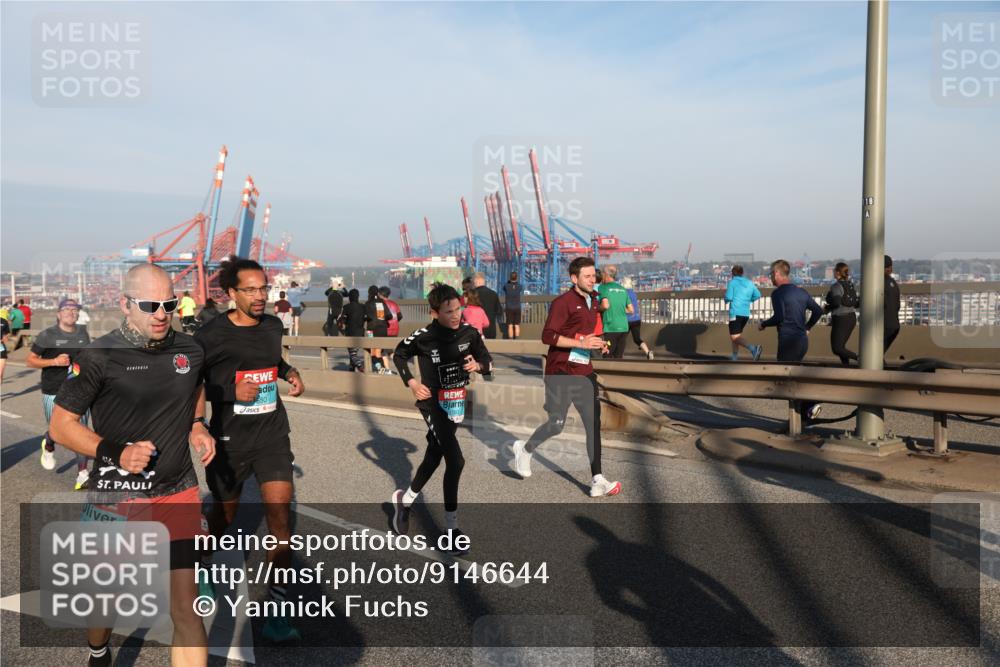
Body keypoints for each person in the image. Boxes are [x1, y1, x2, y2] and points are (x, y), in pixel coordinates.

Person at [49, 263, 216, 667]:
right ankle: (98, 650)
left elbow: (195, 387)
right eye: (149, 304)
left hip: (178, 488)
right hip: (116, 494)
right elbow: (60, 426)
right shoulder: (98, 356)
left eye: (169, 304)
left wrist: (197, 425)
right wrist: (116, 452)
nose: (162, 313)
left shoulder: (190, 350)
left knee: (187, 609)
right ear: (126, 304)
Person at [195, 256, 305, 643]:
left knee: (281, 523)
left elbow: (270, 359)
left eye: (264, 288)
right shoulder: (210, 336)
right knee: (224, 521)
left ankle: (277, 613)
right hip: (230, 440)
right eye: (252, 290)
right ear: (231, 293)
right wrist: (227, 392)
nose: (261, 296)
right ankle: (200, 563)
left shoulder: (273, 325)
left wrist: (287, 372)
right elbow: (192, 384)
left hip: (272, 434)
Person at [390, 284, 493, 555]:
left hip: (456, 402)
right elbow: (398, 354)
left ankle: (406, 500)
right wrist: (412, 382)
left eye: (458, 308)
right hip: (432, 404)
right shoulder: (424, 336)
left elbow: (487, 361)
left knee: (434, 456)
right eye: (449, 312)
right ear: (434, 312)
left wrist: (479, 366)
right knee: (455, 460)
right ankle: (451, 530)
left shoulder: (469, 333)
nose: (456, 314)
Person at [511, 257, 622, 497]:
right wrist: (581, 342)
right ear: (574, 279)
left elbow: (586, 332)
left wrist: (598, 343)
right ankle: (525, 449)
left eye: (595, 276)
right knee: (556, 424)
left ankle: (597, 479)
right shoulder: (563, 303)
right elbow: (548, 336)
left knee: (592, 425)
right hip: (560, 371)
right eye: (588, 276)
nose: (594, 280)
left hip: (584, 372)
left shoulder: (592, 302)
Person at [26, 298, 92, 489]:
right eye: (67, 309)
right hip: (53, 390)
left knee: (82, 432)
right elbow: (30, 361)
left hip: (79, 390)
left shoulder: (83, 334)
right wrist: (54, 362)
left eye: (75, 309)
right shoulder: (47, 335)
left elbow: (86, 359)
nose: (71, 312)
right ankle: (49, 443)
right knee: (58, 431)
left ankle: (82, 474)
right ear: (58, 313)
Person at [758, 259, 823, 419]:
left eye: (771, 274)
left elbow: (780, 317)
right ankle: (802, 416)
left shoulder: (778, 293)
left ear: (777, 274)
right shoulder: (801, 292)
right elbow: (818, 311)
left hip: (788, 340)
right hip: (801, 341)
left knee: (785, 377)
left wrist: (764, 324)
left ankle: (811, 403)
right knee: (793, 377)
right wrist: (808, 327)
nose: (771, 278)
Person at [723, 265, 763, 361]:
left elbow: (728, 297)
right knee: (736, 335)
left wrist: (725, 299)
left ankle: (753, 349)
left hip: (735, 313)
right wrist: (749, 301)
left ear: (732, 274)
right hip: (745, 314)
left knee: (734, 337)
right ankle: (734, 357)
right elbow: (758, 295)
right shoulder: (749, 283)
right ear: (742, 273)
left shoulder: (732, 283)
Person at [825, 262, 859, 366]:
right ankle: (845, 366)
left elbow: (836, 303)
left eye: (835, 270)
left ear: (838, 272)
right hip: (851, 317)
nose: (833, 272)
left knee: (837, 348)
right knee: (841, 347)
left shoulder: (836, 286)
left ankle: (860, 358)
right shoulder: (850, 285)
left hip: (841, 318)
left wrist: (827, 308)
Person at [597, 265, 631, 359]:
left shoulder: (603, 288)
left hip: (611, 327)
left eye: (602, 273)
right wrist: (617, 308)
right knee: (619, 358)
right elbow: (630, 309)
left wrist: (596, 308)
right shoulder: (623, 289)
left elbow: (605, 305)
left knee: (607, 356)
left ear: (606, 275)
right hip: (624, 327)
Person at [622, 276, 654, 359]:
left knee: (621, 338)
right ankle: (648, 352)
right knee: (637, 339)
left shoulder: (623, 293)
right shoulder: (633, 293)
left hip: (627, 320)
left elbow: (623, 306)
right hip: (636, 319)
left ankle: (619, 355)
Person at [365, 285, 391, 373]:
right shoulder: (382, 302)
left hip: (371, 330)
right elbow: (389, 316)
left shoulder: (368, 303)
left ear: (369, 293)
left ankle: (379, 368)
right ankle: (382, 368)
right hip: (382, 329)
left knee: (372, 351)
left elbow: (366, 316)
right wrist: (381, 318)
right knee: (379, 352)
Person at [339, 288, 367, 372]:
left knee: (352, 352)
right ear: (358, 297)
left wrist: (341, 326)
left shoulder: (346, 307)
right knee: (353, 352)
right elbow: (366, 318)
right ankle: (351, 368)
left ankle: (359, 365)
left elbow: (342, 321)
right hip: (360, 332)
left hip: (350, 332)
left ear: (349, 297)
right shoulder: (363, 307)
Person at [473, 272, 502, 339]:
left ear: (477, 280)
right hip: (490, 329)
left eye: (474, 281)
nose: (473, 283)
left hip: (476, 329)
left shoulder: (473, 294)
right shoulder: (493, 294)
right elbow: (499, 311)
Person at [884, 255, 901, 354]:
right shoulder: (893, 283)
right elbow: (897, 305)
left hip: (885, 325)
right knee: (878, 353)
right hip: (894, 325)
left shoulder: (879, 282)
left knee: (873, 354)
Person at [503, 271, 523, 339]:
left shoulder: (506, 286)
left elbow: (504, 288)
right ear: (517, 277)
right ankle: (517, 339)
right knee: (517, 325)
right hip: (517, 307)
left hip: (509, 307)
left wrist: (509, 282)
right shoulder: (519, 286)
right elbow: (520, 288)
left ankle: (511, 340)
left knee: (510, 325)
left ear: (510, 277)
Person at [0, 316, 10, 382]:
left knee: (0, 374)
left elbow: (7, 335)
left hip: (1, 348)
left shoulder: (3, 321)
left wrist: (4, 338)